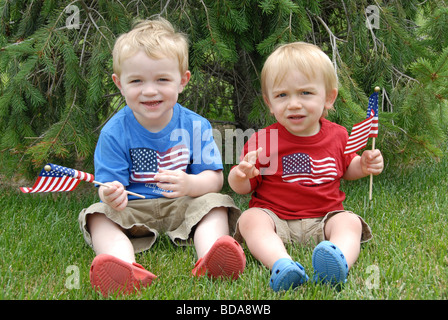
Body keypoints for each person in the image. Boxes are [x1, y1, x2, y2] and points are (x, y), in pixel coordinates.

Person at [78, 17, 245, 297]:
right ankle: (123, 265)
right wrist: (111, 195)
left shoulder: (195, 126)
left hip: (182, 206)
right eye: (137, 81)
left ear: (183, 81)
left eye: (162, 79)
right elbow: (107, 187)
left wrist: (191, 185)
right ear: (120, 84)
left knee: (216, 204)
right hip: (133, 209)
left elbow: (214, 179)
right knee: (97, 216)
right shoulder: (114, 132)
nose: (150, 90)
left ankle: (212, 256)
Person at [228, 42, 383, 291]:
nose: (294, 104)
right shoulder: (264, 140)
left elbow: (347, 168)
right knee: (250, 219)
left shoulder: (338, 135)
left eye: (305, 93)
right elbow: (243, 188)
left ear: (329, 98)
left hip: (325, 219)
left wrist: (363, 165)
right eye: (282, 95)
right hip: (276, 218)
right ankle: (282, 263)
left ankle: (337, 259)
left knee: (350, 222)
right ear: (269, 103)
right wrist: (239, 174)